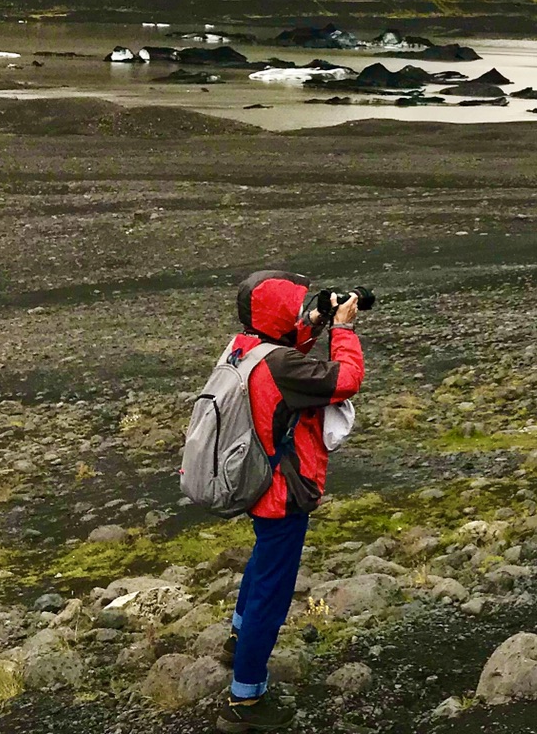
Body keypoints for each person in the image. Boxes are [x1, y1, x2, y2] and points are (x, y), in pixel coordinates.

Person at [218, 270, 365, 733]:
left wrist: (316, 321)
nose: (301, 313)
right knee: (272, 593)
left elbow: (283, 351)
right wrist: (342, 330)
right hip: (282, 492)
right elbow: (345, 379)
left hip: (255, 484)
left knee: (263, 562)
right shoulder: (280, 366)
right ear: (278, 314)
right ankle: (246, 697)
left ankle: (238, 637)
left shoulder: (244, 346)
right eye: (296, 308)